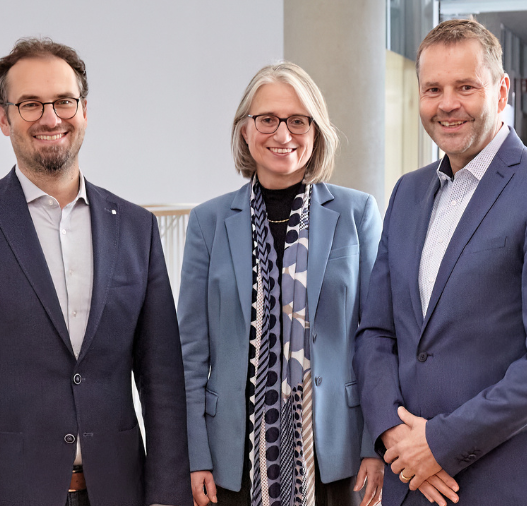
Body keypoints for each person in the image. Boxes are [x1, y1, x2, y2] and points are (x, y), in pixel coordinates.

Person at [0, 37, 191, 506]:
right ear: (3, 118)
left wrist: (166, 493)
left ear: (84, 110)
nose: (50, 117)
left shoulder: (136, 228)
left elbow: (161, 377)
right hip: (6, 493)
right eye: (30, 104)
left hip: (118, 491)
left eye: (64, 101)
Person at [353, 19, 527, 506]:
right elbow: (376, 331)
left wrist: (439, 444)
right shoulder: (407, 193)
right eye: (433, 89)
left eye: (465, 87)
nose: (447, 104)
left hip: (503, 481)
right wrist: (393, 435)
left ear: (501, 90)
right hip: (410, 478)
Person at [177, 62, 385, 506]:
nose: (282, 134)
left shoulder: (357, 214)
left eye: (298, 120)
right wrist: (195, 456)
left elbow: (378, 342)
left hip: (337, 448)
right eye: (267, 119)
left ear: (316, 131)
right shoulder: (208, 222)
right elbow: (190, 352)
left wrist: (376, 444)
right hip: (232, 454)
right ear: (245, 130)